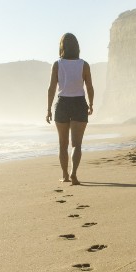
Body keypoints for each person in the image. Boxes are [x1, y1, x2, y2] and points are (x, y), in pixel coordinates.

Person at [46, 33, 94, 184]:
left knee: (63, 144)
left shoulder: (57, 64)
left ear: (62, 47)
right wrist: (91, 104)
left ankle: (65, 175)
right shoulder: (84, 64)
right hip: (79, 103)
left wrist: (48, 109)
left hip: (62, 104)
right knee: (77, 144)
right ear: (77, 47)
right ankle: (74, 174)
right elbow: (89, 87)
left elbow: (52, 88)